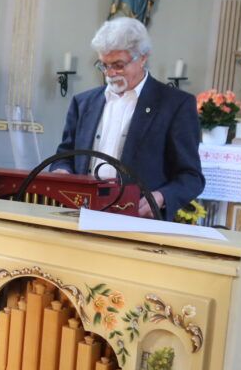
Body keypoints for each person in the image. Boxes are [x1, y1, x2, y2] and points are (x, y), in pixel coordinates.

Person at [51, 17, 203, 220]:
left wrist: (161, 197)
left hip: (138, 219)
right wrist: (62, 172)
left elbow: (191, 177)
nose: (110, 73)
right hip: (79, 214)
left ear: (143, 58)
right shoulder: (83, 102)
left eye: (119, 65)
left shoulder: (175, 105)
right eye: (104, 65)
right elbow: (65, 156)